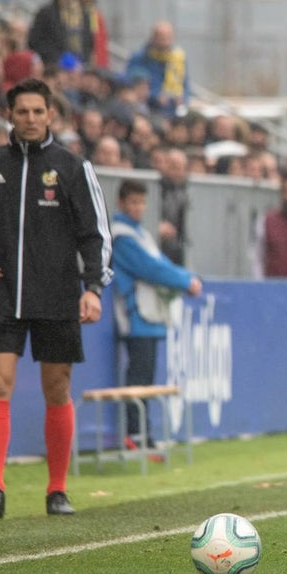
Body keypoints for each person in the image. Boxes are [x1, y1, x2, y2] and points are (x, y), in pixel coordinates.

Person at [0, 77, 112, 519]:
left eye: (37, 112)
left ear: (51, 116)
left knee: (56, 388)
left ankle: (57, 490)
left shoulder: (72, 166)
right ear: (9, 115)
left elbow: (94, 234)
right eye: (21, 112)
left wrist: (93, 288)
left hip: (57, 293)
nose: (29, 119)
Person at [110, 179, 201, 451]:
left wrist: (186, 276)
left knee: (146, 380)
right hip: (135, 315)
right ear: (121, 203)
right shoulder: (122, 236)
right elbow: (151, 268)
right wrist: (187, 282)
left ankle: (144, 435)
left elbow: (160, 263)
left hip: (149, 318)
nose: (138, 207)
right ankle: (135, 436)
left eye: (141, 202)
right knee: (138, 378)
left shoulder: (141, 234)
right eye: (133, 202)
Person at [125, 21, 189, 119]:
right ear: (153, 38)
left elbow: (185, 84)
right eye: (161, 39)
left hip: (173, 109)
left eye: (168, 38)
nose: (165, 43)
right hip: (149, 110)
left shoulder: (178, 58)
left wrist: (183, 98)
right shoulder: (141, 57)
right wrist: (155, 96)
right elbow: (130, 83)